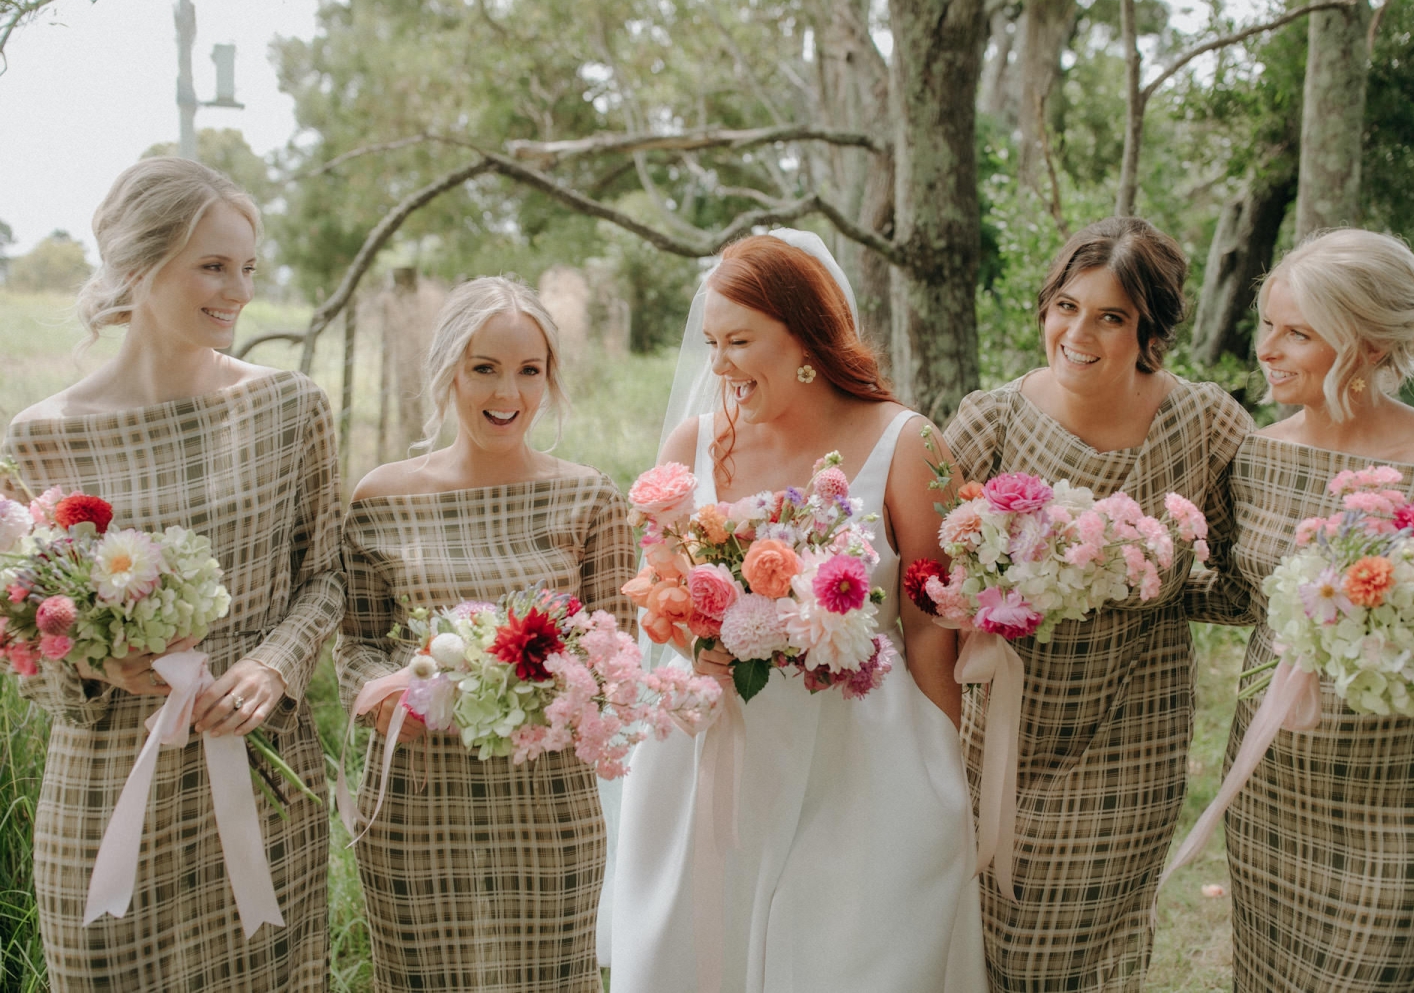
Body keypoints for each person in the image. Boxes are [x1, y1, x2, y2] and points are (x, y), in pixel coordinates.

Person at [609, 230, 987, 993]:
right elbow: (661, 589)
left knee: (849, 958)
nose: (718, 367)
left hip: (862, 757)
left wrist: (945, 766)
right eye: (712, 342)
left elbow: (929, 625)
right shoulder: (695, 444)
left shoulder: (908, 443)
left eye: (739, 341)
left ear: (806, 333)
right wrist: (694, 644)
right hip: (720, 753)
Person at [3, 156, 339, 989]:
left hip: (263, 784)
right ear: (139, 265)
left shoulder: (290, 407)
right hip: (107, 797)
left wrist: (273, 664)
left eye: (247, 267)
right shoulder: (40, 441)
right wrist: (95, 663)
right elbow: (19, 639)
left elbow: (329, 578)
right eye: (213, 265)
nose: (239, 290)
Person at [1185, 228, 1414, 992]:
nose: (1268, 348)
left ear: (1365, 345)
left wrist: (1405, 615)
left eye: (1297, 333)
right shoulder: (1258, 455)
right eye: (1268, 325)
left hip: (1399, 803)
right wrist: (1119, 570)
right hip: (1271, 793)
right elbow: (1239, 596)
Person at [943, 216, 1252, 991]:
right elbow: (928, 570)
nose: (1080, 332)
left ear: (1148, 329)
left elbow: (1250, 572)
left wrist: (1160, 578)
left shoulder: (1205, 421)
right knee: (996, 938)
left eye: (1111, 316)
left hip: (1133, 724)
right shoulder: (992, 418)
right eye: (1066, 307)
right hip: (1005, 726)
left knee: (1100, 941)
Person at [334, 275, 635, 992]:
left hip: (547, 803)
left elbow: (614, 658)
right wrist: (377, 702)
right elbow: (359, 645)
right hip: (415, 800)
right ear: (448, 372)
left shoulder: (589, 497)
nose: (509, 393)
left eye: (530, 371)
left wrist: (546, 686)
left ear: (550, 378)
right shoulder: (380, 499)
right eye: (485, 369)